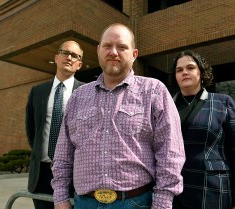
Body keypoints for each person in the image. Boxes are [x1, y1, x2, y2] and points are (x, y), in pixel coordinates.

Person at [51, 23, 185, 209]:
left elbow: (170, 153)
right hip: (84, 203)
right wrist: (60, 198)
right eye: (107, 46)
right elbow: (63, 154)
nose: (113, 52)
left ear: (134, 54)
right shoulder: (78, 97)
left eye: (122, 47)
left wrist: (162, 203)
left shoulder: (154, 91)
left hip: (136, 203)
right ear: (98, 51)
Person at [169, 50, 235, 209]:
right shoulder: (166, 106)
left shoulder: (223, 103)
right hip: (172, 195)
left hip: (211, 192)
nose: (185, 72)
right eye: (179, 70)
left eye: (190, 67)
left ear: (201, 72)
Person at [25, 40, 85, 209]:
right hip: (42, 174)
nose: (69, 57)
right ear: (56, 57)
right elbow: (32, 131)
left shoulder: (86, 92)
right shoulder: (37, 92)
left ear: (79, 64)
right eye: (65, 52)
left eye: (75, 56)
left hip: (73, 175)